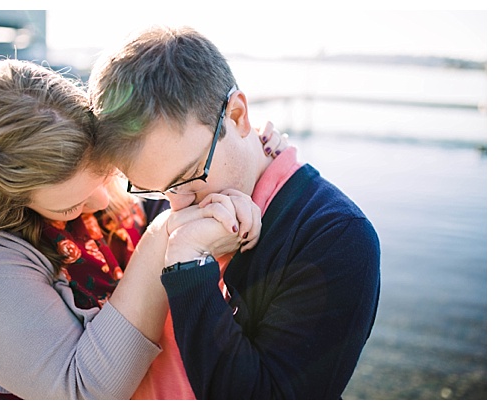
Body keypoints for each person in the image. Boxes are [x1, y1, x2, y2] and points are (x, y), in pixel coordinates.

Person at [0, 59, 285, 399]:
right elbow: (82, 392)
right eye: (71, 206)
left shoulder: (87, 184)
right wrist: (163, 239)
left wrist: (250, 158)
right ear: (2, 196)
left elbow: (177, 190)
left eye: (108, 174)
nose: (103, 201)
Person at [88, 25, 381, 399]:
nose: (176, 205)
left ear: (239, 115)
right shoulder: (162, 193)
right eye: (156, 188)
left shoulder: (335, 237)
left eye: (191, 175)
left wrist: (188, 268)